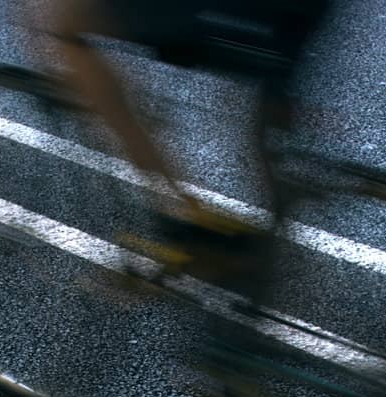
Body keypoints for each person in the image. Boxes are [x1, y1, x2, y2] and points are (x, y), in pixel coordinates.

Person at [30, 0, 335, 282]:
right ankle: (269, 220)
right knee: (263, 109)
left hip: (234, 11)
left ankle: (179, 210)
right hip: (301, 16)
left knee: (64, 22)